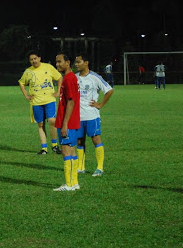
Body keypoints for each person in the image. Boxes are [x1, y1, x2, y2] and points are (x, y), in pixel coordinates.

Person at [75, 54, 114, 177]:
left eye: (78, 62)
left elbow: (109, 90)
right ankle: (81, 167)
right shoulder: (74, 77)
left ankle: (99, 168)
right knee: (79, 141)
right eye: (75, 62)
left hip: (92, 115)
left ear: (86, 63)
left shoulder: (95, 77)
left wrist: (100, 104)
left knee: (96, 139)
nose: (76, 64)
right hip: (78, 116)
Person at [18, 51, 63, 155]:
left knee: (52, 121)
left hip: (49, 99)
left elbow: (59, 77)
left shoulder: (48, 67)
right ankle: (44, 148)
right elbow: (21, 82)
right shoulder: (28, 71)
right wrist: (26, 95)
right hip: (36, 102)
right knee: (41, 124)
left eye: (35, 58)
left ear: (39, 58)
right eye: (31, 59)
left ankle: (55, 145)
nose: (33, 61)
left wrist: (58, 91)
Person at [53, 52, 81, 191]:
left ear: (67, 63)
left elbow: (71, 101)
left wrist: (64, 124)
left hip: (67, 123)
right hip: (71, 122)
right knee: (72, 151)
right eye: (56, 62)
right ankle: (74, 182)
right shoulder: (69, 78)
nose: (57, 64)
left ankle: (69, 184)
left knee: (66, 152)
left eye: (59, 62)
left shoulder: (69, 79)